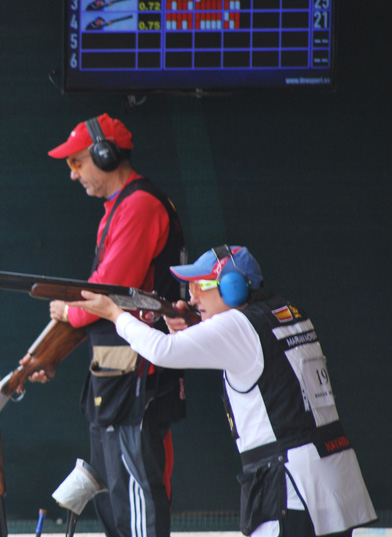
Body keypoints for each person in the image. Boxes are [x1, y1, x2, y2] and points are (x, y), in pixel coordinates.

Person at [66, 245, 378, 537]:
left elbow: (162, 350)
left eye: (201, 286)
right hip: (331, 476)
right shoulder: (287, 312)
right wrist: (195, 327)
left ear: (233, 287)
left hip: (290, 485)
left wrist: (115, 315)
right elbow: (249, 351)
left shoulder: (239, 326)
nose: (192, 298)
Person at [24, 114, 187, 537]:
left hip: (139, 368)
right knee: (115, 490)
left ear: (105, 155)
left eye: (77, 162)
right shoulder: (120, 207)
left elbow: (107, 292)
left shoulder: (139, 205)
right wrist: (51, 354)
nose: (73, 174)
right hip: (118, 364)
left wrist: (68, 311)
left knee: (135, 490)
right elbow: (104, 301)